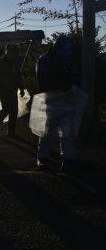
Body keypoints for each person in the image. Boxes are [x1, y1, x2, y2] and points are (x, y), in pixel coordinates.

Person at [35, 36, 80, 172]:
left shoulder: (68, 59)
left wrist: (72, 88)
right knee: (49, 131)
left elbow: (75, 77)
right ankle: (42, 157)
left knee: (67, 131)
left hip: (66, 99)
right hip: (51, 99)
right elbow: (42, 82)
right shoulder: (44, 60)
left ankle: (68, 159)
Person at [0, 45, 25, 137]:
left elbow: (18, 77)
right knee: (6, 109)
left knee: (14, 110)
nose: (13, 54)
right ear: (7, 52)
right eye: (11, 52)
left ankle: (11, 132)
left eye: (14, 52)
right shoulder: (0, 63)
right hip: (3, 90)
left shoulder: (14, 63)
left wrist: (21, 88)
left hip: (13, 89)